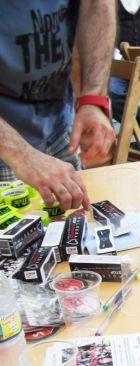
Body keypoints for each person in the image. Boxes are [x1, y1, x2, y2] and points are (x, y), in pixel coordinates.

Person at [0, 0, 117, 211]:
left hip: (58, 131)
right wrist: (20, 153)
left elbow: (96, 4)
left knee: (81, 222)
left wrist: (92, 99)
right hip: (7, 149)